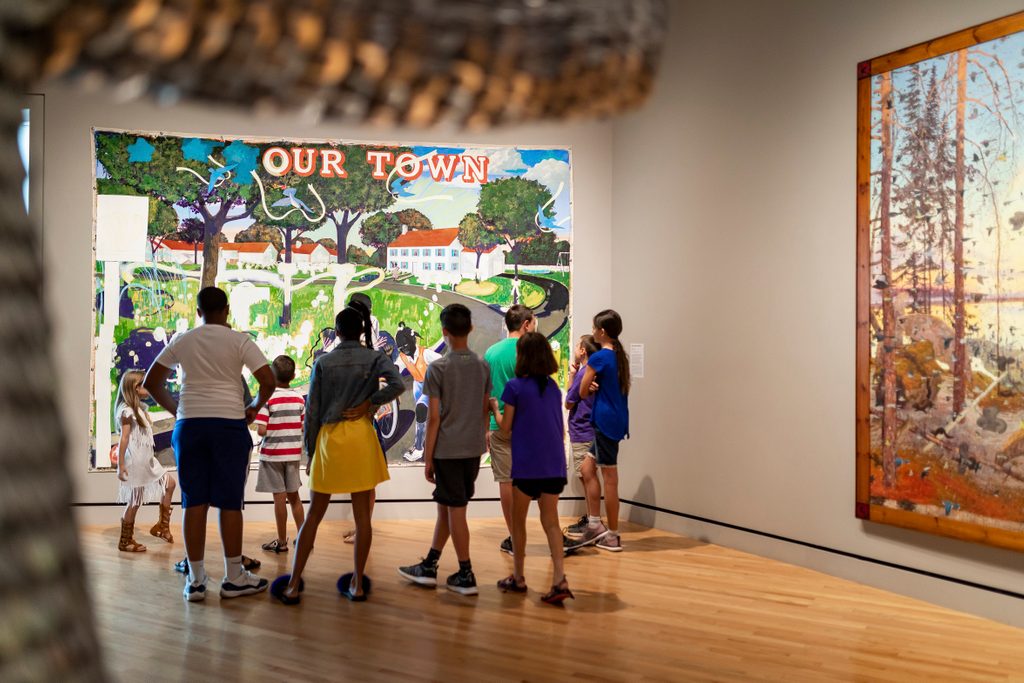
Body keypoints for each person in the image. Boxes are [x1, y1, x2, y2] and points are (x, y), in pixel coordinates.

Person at [144, 287, 276, 602]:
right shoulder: (239, 340)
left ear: (199, 311)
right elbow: (268, 381)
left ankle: (196, 579)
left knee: (193, 501)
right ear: (226, 310)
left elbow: (152, 382)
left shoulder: (183, 340)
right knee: (230, 502)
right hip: (229, 425)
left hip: (190, 427)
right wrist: (254, 407)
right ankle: (233, 578)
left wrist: (177, 410)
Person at [270, 304, 404, 605]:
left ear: (337, 331)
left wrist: (311, 449)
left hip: (331, 439)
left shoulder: (324, 362)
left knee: (313, 516)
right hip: (361, 437)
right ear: (361, 330)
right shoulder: (375, 356)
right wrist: (371, 403)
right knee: (362, 518)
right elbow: (399, 384)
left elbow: (314, 410)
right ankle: (357, 583)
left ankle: (292, 584)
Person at [398, 304, 491, 595]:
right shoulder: (482, 365)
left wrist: (428, 456)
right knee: (447, 510)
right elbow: (484, 408)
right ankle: (430, 564)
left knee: (456, 512)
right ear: (471, 329)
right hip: (472, 450)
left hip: (449, 451)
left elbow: (433, 416)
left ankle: (466, 573)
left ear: (444, 332)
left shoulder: (439, 368)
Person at [493, 332, 573, 604]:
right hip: (554, 465)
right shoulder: (553, 388)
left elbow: (505, 429)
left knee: (518, 522)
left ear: (523, 357)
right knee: (551, 522)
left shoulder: (514, 387)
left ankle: (518, 577)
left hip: (527, 465)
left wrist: (494, 409)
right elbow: (560, 431)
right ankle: (559, 578)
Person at [575, 310, 631, 552]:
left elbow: (582, 392)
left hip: (605, 422)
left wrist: (590, 385)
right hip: (616, 420)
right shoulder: (619, 356)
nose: (594, 331)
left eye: (596, 328)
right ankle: (596, 524)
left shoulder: (599, 359)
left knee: (610, 478)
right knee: (587, 468)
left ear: (603, 331)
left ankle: (613, 535)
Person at [484, 304, 536, 555]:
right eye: (534, 323)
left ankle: (515, 536)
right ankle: (521, 534)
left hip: (498, 423)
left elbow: (486, 394)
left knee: (506, 481)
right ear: (525, 324)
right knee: (522, 481)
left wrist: (486, 426)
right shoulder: (529, 351)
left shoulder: (491, 352)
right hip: (526, 423)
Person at [114, 369, 177, 552]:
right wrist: (120, 465)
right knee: (134, 501)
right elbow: (124, 439)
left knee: (170, 484)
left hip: (147, 461)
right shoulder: (127, 411)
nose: (147, 386)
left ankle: (162, 526)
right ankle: (125, 540)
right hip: (136, 462)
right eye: (143, 384)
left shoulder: (139, 409)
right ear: (134, 388)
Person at [254, 355, 306, 553]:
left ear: (272, 375)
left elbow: (261, 430)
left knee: (279, 498)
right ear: (293, 376)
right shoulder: (299, 398)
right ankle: (303, 538)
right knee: (295, 497)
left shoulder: (267, 398)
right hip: (292, 455)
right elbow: (301, 426)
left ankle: (282, 542)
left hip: (273, 455)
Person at [562, 336, 603, 545]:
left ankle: (593, 522)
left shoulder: (584, 374)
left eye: (578, 345)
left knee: (587, 476)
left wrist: (574, 375)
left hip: (582, 430)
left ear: (583, 351)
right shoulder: (587, 373)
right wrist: (572, 373)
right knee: (586, 476)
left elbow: (569, 402)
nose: (576, 348)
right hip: (588, 429)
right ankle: (591, 520)